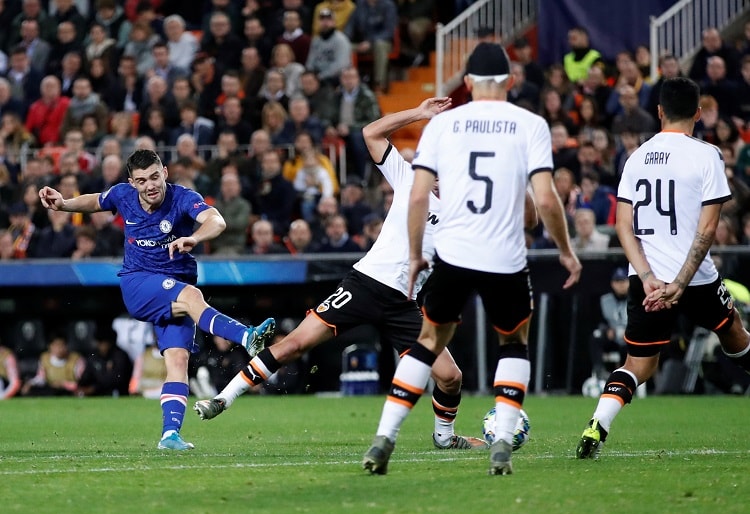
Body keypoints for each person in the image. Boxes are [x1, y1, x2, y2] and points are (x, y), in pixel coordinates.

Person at [194, 97, 489, 452]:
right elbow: (371, 133)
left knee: (450, 376)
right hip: (363, 284)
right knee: (294, 344)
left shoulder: (465, 214)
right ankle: (222, 399)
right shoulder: (409, 179)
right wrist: (418, 113)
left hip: (404, 304)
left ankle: (444, 437)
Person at [362, 43, 581, 476]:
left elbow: (419, 194)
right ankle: (501, 442)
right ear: (511, 83)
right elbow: (544, 202)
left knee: (426, 343)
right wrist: (565, 250)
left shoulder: (444, 126)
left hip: (454, 255)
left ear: (467, 84)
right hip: (503, 256)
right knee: (514, 344)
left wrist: (413, 254)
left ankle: (384, 437)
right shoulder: (530, 125)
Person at [38, 149, 276, 451]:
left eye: (154, 176)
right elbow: (96, 200)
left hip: (173, 289)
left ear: (164, 172)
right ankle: (247, 336)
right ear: (131, 183)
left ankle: (169, 435)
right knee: (192, 296)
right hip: (138, 284)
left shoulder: (183, 197)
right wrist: (63, 204)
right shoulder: (122, 195)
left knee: (178, 360)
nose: (150, 185)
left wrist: (196, 238)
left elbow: (216, 221)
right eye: (141, 181)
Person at [575, 77, 750, 460]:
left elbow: (623, 226)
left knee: (637, 364)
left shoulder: (636, 157)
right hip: (696, 278)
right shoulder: (706, 155)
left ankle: (598, 424)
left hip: (647, 281)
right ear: (699, 113)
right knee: (734, 332)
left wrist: (649, 276)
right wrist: (682, 282)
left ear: (658, 111)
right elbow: (707, 229)